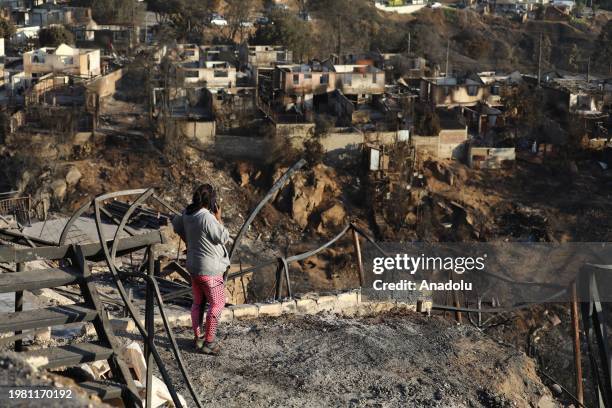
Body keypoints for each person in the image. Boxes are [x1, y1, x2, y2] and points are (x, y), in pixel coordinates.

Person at [172, 183, 230, 355]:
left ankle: (198, 338)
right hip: (210, 269)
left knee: (198, 302)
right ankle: (209, 343)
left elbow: (175, 223)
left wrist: (189, 241)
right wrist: (219, 218)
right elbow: (223, 237)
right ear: (211, 200)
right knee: (217, 304)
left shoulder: (187, 213)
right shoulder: (206, 217)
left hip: (193, 266)